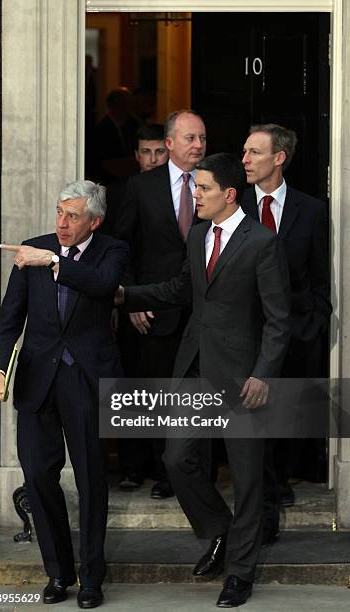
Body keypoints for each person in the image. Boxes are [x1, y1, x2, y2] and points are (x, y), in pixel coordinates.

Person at [117, 153, 291, 607]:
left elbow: (278, 320)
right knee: (176, 460)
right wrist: (123, 294)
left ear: (228, 195)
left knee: (249, 478)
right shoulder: (197, 236)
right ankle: (220, 530)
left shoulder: (262, 242)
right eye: (195, 188)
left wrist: (261, 375)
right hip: (195, 367)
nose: (194, 195)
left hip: (242, 379)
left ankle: (240, 573)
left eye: (202, 189)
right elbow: (181, 289)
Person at [0, 180, 128, 609]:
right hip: (36, 381)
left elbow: (103, 285)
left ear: (94, 221)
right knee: (37, 476)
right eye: (58, 213)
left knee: (90, 482)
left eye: (72, 216)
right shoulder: (33, 249)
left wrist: (52, 259)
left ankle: (91, 578)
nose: (62, 223)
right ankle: (58, 573)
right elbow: (10, 318)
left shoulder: (112, 251)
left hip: (85, 380)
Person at [242, 124, 332, 543]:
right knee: (252, 418)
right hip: (246, 332)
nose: (245, 160)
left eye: (254, 152)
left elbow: (319, 274)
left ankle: (278, 484)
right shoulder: (234, 204)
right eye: (245, 152)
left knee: (286, 415)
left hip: (296, 329)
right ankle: (265, 500)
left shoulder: (310, 210)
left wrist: (315, 320)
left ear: (279, 158)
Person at [112, 109, 206, 499]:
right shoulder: (141, 186)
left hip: (203, 310)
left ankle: (188, 471)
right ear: (169, 145)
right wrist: (130, 299)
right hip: (153, 310)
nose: (199, 145)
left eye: (203, 138)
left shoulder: (215, 184)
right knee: (153, 390)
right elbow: (122, 247)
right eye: (191, 138)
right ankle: (157, 467)